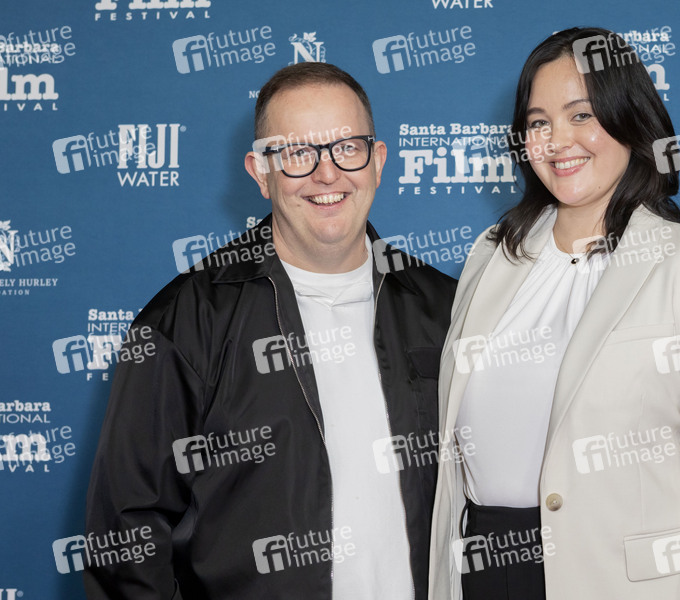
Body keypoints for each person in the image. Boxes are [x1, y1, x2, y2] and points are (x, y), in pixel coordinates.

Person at [84, 62, 456, 600]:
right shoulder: (183, 323)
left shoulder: (446, 309)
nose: (327, 174)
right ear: (260, 172)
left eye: (347, 148)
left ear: (377, 162)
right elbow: (128, 535)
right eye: (298, 153)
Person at [428, 28, 680, 600]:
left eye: (581, 115)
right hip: (483, 570)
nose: (557, 140)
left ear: (629, 119)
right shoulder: (492, 253)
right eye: (539, 122)